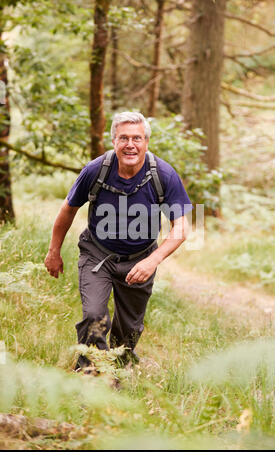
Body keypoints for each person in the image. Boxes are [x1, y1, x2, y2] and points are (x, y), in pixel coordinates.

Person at [44, 112, 192, 369]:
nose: (130, 144)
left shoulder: (164, 175)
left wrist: (152, 261)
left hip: (141, 258)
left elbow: (181, 227)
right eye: (123, 138)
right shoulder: (96, 170)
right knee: (93, 316)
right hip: (97, 253)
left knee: (129, 332)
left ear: (146, 142)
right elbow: (68, 209)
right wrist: (53, 251)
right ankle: (92, 374)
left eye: (137, 138)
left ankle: (120, 372)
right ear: (113, 142)